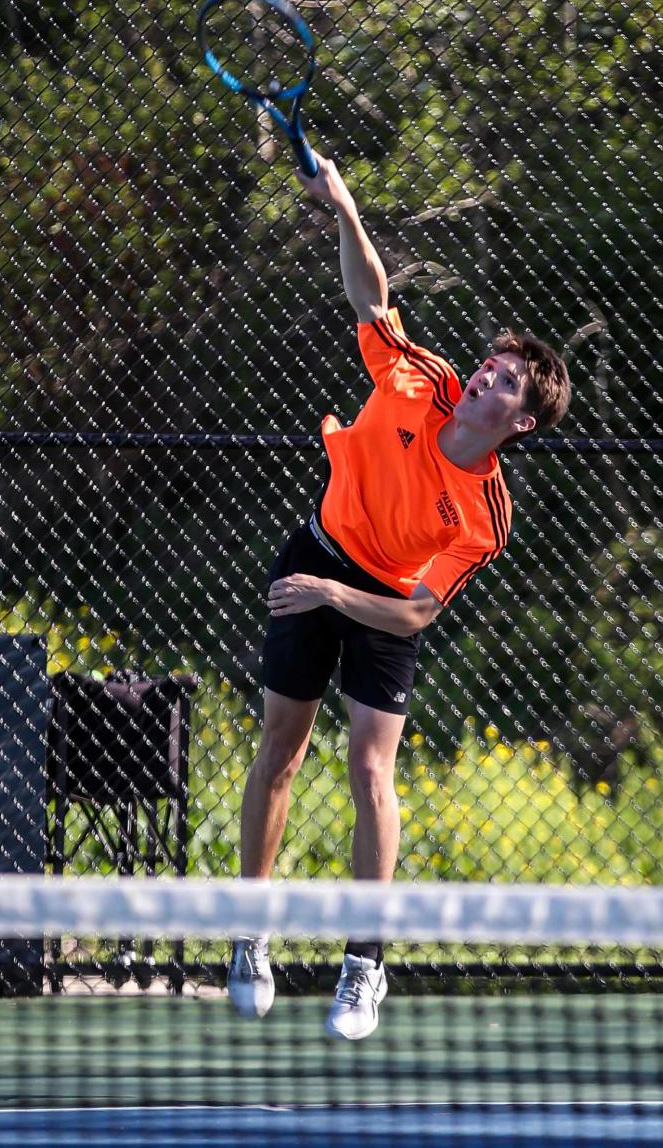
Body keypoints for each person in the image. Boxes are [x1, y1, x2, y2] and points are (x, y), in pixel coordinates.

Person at [228, 154, 571, 1039]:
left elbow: (415, 613)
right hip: (320, 551)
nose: (486, 377)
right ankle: (249, 930)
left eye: (504, 381)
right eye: (490, 365)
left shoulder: (485, 516)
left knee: (371, 770)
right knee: (282, 746)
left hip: (375, 602)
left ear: (521, 420)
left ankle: (362, 966)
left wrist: (334, 595)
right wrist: (342, 204)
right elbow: (372, 298)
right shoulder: (419, 378)